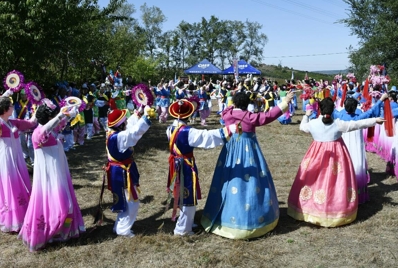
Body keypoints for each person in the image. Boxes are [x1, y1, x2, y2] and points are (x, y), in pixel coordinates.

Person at [201, 90, 294, 239]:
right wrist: (285, 102)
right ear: (247, 105)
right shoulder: (250, 117)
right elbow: (267, 116)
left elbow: (227, 109)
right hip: (248, 151)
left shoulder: (227, 113)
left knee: (228, 178)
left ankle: (222, 215)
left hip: (230, 149)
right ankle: (249, 219)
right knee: (251, 181)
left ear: (235, 103)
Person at [287, 97, 384, 227]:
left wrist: (306, 115)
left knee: (313, 178)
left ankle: (310, 208)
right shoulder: (339, 123)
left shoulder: (314, 123)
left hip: (316, 154)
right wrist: (375, 120)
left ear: (320, 110)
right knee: (336, 180)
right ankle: (335, 208)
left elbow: (302, 127)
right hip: (337, 156)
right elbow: (356, 124)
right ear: (333, 110)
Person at [19, 99, 85, 251]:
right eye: (53, 116)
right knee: (63, 205)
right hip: (50, 177)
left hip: (58, 173)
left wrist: (70, 112)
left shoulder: (50, 131)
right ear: (48, 118)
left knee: (65, 204)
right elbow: (48, 128)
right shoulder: (39, 133)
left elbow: (58, 124)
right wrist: (60, 115)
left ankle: (63, 232)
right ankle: (53, 230)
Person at [166, 99, 235, 236]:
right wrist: (230, 129)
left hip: (176, 165)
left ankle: (187, 222)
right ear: (188, 115)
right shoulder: (188, 131)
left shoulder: (170, 128)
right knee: (188, 196)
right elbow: (207, 137)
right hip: (185, 166)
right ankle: (183, 229)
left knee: (181, 194)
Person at [0, 96, 37, 232]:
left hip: (15, 158)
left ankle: (21, 210)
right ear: (5, 109)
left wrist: (36, 110)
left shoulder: (12, 122)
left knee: (17, 183)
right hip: (3, 160)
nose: (12, 107)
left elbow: (30, 123)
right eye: (10, 106)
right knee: (8, 185)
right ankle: (10, 217)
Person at [105, 107, 153, 237]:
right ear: (120, 125)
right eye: (124, 121)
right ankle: (123, 230)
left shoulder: (111, 133)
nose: (126, 123)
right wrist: (146, 118)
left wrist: (138, 113)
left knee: (124, 201)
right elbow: (134, 133)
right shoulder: (120, 137)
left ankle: (119, 226)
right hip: (122, 172)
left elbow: (129, 127)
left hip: (117, 171)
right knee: (132, 202)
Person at [334, 93, 387, 204]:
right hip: (357, 144)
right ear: (355, 108)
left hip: (343, 143)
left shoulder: (339, 115)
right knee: (357, 163)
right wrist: (381, 99)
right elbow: (372, 111)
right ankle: (357, 189)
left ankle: (343, 189)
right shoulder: (359, 117)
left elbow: (329, 108)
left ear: (344, 106)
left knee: (344, 164)